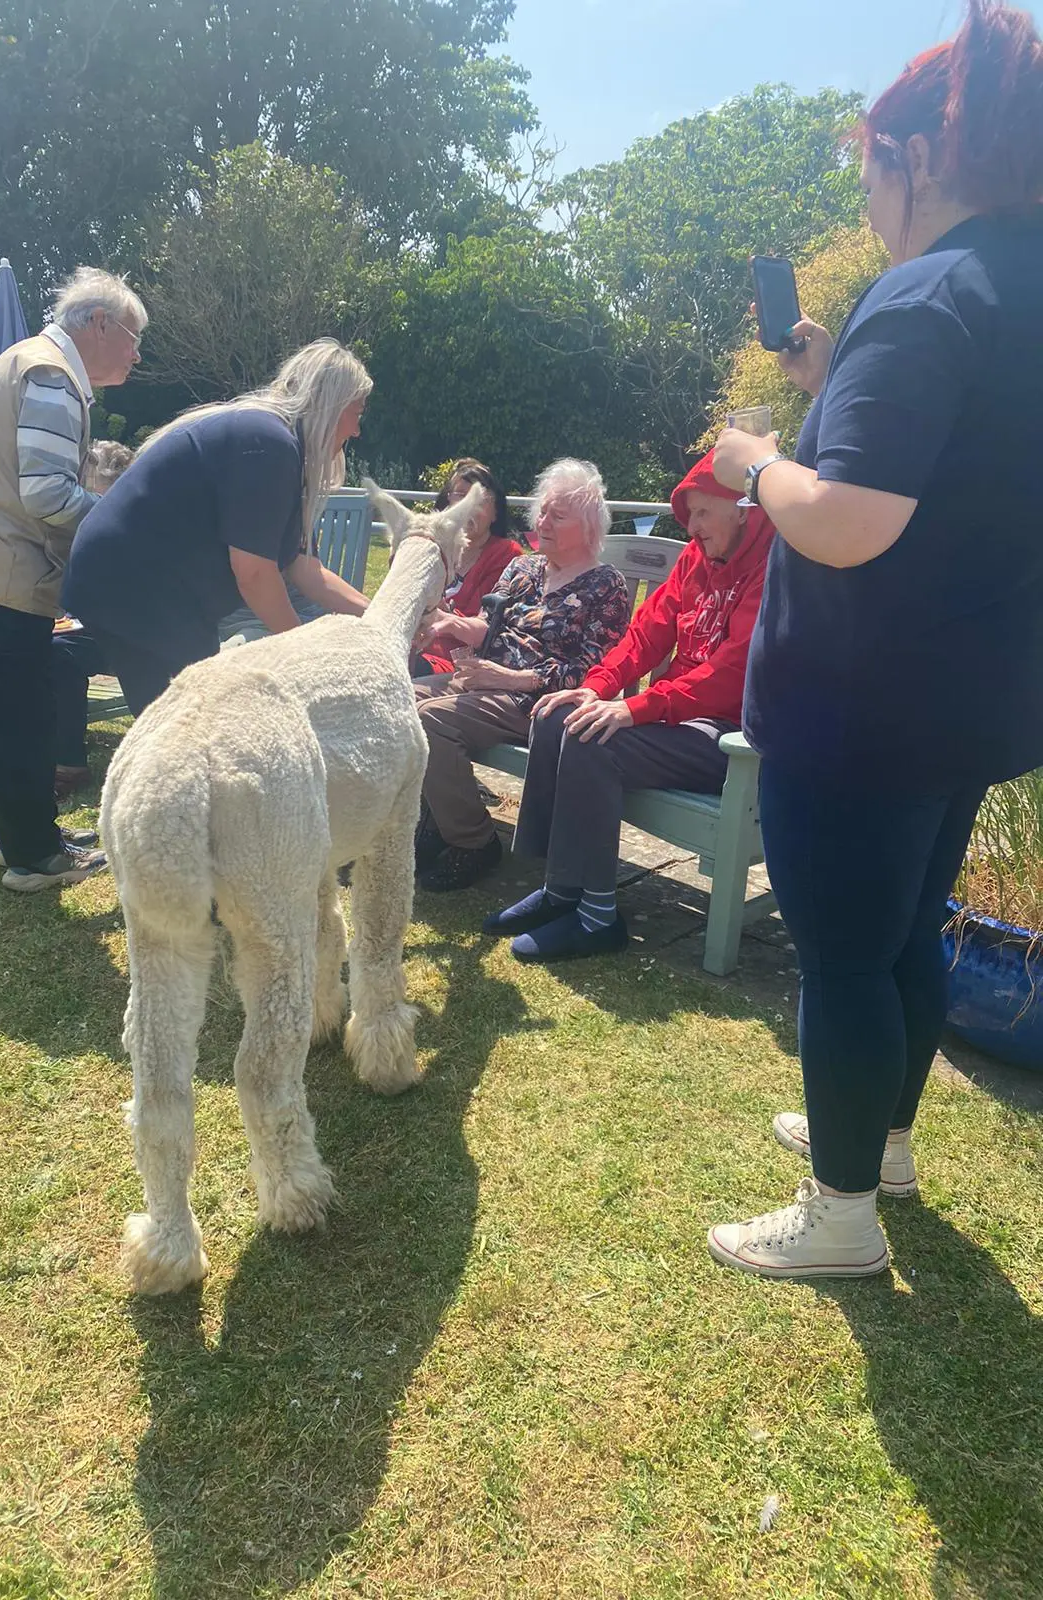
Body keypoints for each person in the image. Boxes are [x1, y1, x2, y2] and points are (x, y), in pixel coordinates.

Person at [706, 0, 1043, 1280]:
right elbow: (952, 457)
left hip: (860, 700)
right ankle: (884, 1143)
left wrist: (755, 463)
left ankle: (840, 1210)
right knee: (905, 928)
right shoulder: (1017, 288)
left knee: (844, 952)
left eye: (866, 165)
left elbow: (844, 523)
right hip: (973, 699)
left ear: (917, 158)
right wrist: (830, 375)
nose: (863, 194)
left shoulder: (925, 296)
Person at [485, 450, 775, 961]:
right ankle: (560, 890)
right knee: (559, 714)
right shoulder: (696, 559)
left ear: (742, 506)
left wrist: (638, 707)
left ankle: (598, 918)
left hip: (730, 736)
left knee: (592, 742)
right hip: (679, 717)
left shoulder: (772, 565)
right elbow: (644, 634)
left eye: (704, 513)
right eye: (689, 516)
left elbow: (732, 673)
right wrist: (595, 687)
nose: (694, 527)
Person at [0, 267, 145, 891]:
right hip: (0, 573)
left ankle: (24, 838)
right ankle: (34, 858)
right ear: (99, 323)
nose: (136, 352)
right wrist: (121, 519)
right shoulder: (52, 373)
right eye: (133, 336)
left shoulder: (29, 362)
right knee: (14, 717)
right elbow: (47, 492)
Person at [62, 339, 373, 715]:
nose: (357, 431)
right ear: (331, 406)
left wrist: (378, 618)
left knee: (196, 720)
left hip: (149, 589)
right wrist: (304, 655)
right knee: (192, 724)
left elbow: (305, 569)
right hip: (135, 586)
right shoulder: (269, 445)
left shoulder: (276, 443)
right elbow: (255, 575)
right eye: (357, 413)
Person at [414, 458, 631, 892]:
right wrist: (453, 623)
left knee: (428, 720)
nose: (542, 521)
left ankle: (473, 841)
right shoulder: (525, 568)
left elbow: (590, 673)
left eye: (557, 515)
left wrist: (511, 678)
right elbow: (488, 627)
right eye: (543, 511)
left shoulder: (606, 587)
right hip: (484, 681)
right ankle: (435, 816)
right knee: (397, 698)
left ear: (588, 526)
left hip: (533, 700)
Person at [49, 441, 137, 797]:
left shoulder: (143, 520)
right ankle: (62, 760)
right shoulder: (70, 521)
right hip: (91, 626)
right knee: (51, 649)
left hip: (144, 631)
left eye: (98, 497)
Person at [410, 460, 522, 676]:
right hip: (412, 647)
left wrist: (438, 611)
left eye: (479, 499)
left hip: (459, 663)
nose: (467, 507)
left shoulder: (507, 555)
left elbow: (487, 627)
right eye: (460, 496)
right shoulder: (431, 548)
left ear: (495, 513)